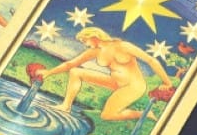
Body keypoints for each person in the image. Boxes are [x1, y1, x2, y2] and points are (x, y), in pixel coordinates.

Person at [40, 26, 174, 121]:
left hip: (133, 86)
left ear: (94, 37)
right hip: (115, 82)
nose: (85, 44)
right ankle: (66, 106)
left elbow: (151, 60)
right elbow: (70, 64)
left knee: (107, 116)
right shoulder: (95, 51)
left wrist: (167, 82)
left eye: (84, 41)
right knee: (75, 72)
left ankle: (143, 114)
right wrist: (48, 72)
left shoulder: (123, 46)